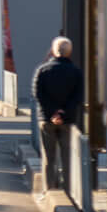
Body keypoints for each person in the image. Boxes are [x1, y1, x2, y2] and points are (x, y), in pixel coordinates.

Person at [33, 37, 83, 199]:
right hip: (67, 120)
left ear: (54, 51)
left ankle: (48, 191)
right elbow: (78, 96)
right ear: (70, 52)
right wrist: (62, 112)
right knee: (67, 157)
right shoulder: (76, 71)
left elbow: (38, 93)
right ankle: (69, 192)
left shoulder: (43, 70)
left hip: (46, 119)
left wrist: (53, 112)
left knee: (49, 158)